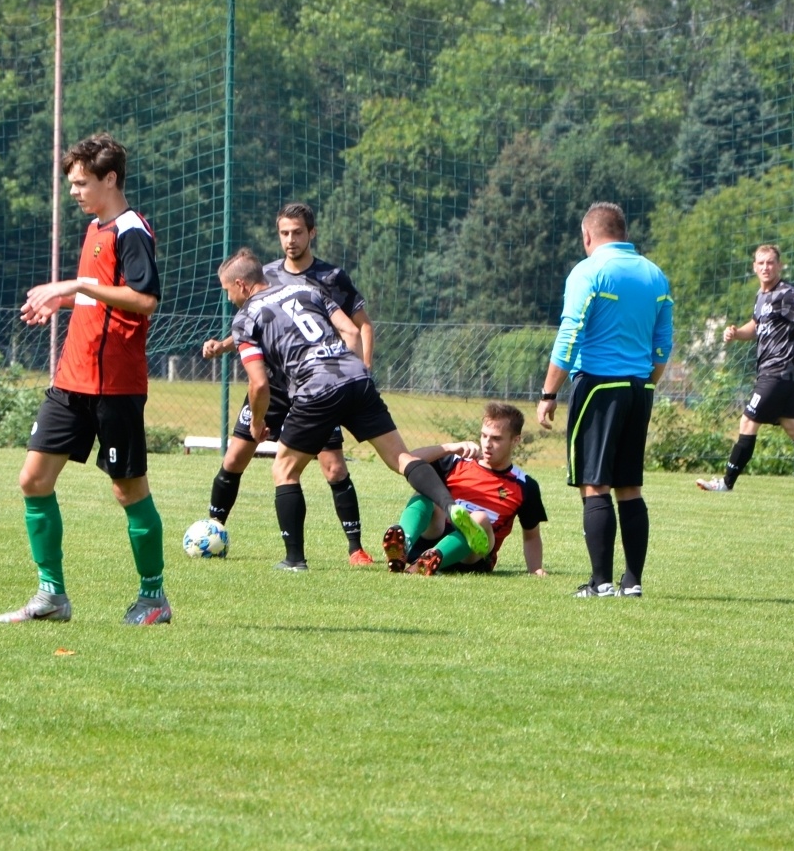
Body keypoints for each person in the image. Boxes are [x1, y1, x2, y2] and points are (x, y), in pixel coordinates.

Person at [217, 248, 488, 570]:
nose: (229, 298)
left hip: (315, 387)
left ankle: (294, 559)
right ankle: (451, 505)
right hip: (356, 376)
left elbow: (259, 384)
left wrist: (257, 423)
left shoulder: (245, 318)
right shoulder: (307, 289)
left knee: (285, 470)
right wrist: (351, 370)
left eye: (227, 290)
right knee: (400, 457)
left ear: (241, 285)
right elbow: (351, 331)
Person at [0, 133, 170, 626]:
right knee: (33, 480)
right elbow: (103, 291)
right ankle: (51, 595)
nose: (74, 191)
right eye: (72, 183)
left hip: (116, 385)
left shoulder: (131, 230)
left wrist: (73, 285)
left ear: (110, 178)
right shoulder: (96, 227)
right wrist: (66, 299)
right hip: (72, 380)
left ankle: (154, 599)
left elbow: (144, 299)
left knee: (127, 491)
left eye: (81, 183)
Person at [201, 203, 378, 565]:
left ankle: (356, 548)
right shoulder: (265, 274)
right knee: (234, 458)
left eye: (297, 232)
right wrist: (223, 345)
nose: (290, 240)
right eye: (284, 233)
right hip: (273, 387)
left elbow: (362, 326)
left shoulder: (331, 278)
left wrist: (360, 369)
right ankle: (211, 532)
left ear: (311, 233)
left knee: (334, 466)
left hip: (316, 387)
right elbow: (252, 326)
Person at [536, 202, 674, 598]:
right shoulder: (655, 275)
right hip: (639, 388)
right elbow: (663, 344)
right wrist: (645, 384)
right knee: (629, 486)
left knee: (595, 484)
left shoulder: (589, 271)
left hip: (598, 386)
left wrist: (548, 393)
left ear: (587, 235)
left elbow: (570, 333)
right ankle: (632, 582)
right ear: (624, 233)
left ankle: (600, 582)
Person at [695, 244, 794, 495]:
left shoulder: (788, 294)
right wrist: (736, 333)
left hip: (779, 371)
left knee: (747, 421)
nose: (766, 267)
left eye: (770, 262)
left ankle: (726, 483)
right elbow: (756, 327)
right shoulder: (761, 296)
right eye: (761, 263)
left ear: (780, 266)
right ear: (754, 267)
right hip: (776, 374)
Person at [380, 403, 549, 577]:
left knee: (479, 518)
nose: (487, 444)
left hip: (473, 557)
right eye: (484, 436)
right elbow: (407, 461)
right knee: (426, 493)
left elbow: (531, 535)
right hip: (434, 538)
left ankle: (432, 561)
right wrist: (449, 448)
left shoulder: (524, 485)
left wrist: (535, 569)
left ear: (515, 440)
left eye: (496, 439)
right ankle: (404, 546)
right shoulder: (456, 462)